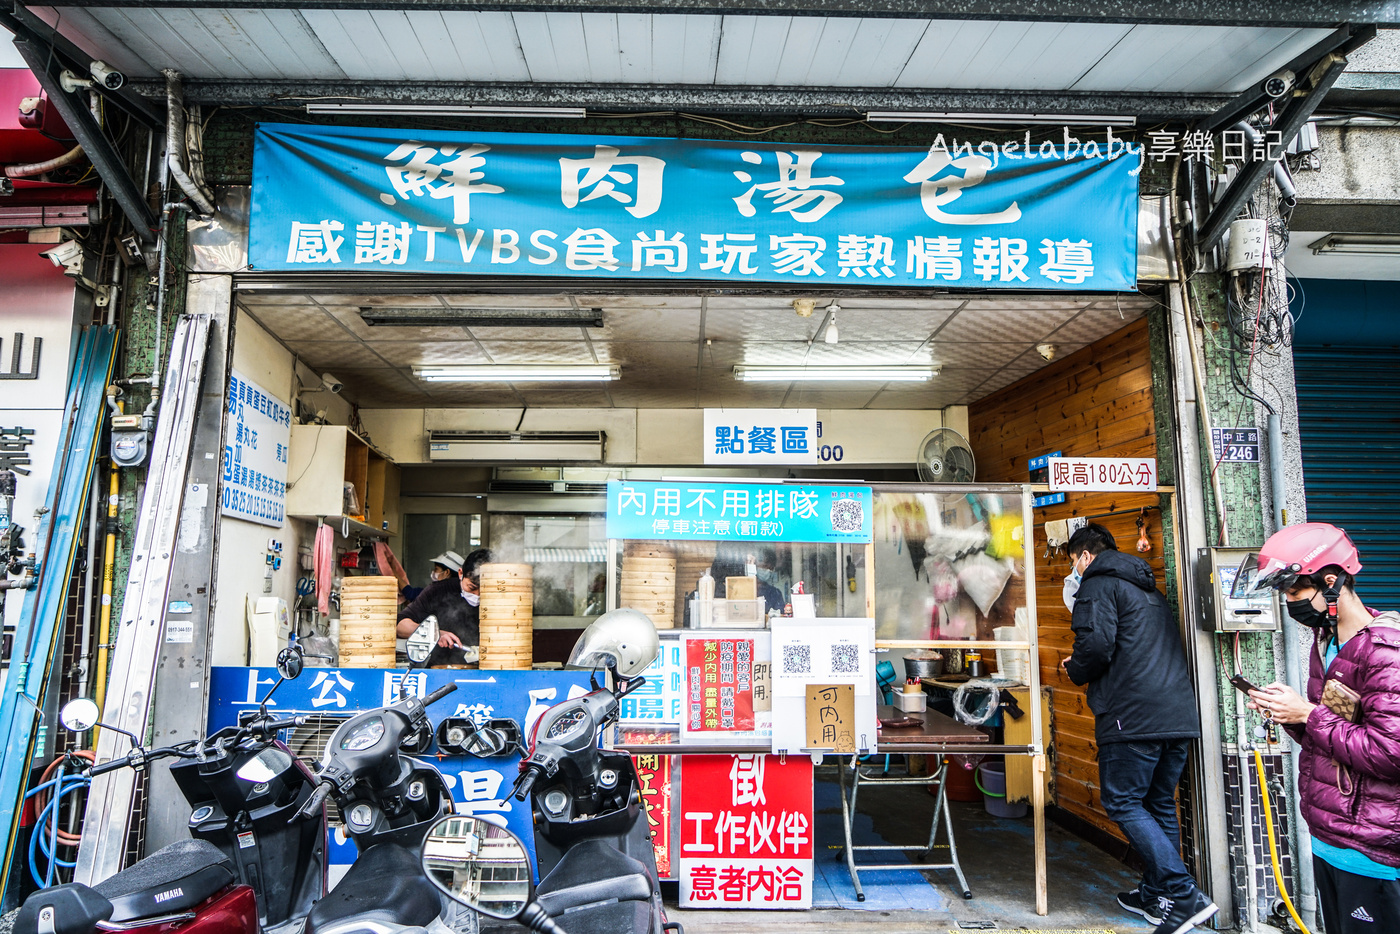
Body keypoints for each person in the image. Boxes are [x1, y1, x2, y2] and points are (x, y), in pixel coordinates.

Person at [1239, 523, 1400, 933]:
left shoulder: (1385, 653)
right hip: (1329, 835)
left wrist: (1308, 713)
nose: (1290, 602)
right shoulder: (1326, 640)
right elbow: (1334, 737)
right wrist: (1290, 714)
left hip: (1371, 849)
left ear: (1330, 581)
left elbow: (1389, 753)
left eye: (1294, 591)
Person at [1060, 523, 1216, 934]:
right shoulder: (1148, 587)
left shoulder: (1097, 585)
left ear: (1086, 556)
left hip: (1132, 717)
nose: (1074, 571)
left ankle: (1182, 893)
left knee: (1123, 802)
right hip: (1177, 714)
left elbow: (1095, 647)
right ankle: (1155, 894)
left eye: (1074, 561)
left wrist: (1074, 669)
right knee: (1159, 803)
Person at [396, 548, 492, 667]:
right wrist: (435, 633)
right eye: (471, 588)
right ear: (460, 573)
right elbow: (400, 625)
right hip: (440, 671)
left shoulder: (500, 598)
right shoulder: (438, 591)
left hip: (488, 674)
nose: (477, 595)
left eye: (483, 590)